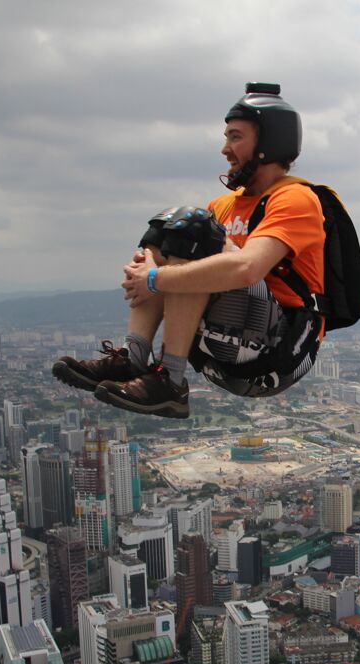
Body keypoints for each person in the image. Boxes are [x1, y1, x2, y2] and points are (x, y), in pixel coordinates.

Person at [52, 83, 325, 419]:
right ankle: (134, 358)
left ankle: (170, 380)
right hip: (223, 340)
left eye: (236, 137)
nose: (225, 149)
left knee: (192, 228)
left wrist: (154, 278)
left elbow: (247, 269)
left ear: (269, 143)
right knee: (169, 227)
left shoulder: (296, 199)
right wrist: (148, 265)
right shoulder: (223, 206)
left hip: (274, 349)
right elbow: (179, 260)